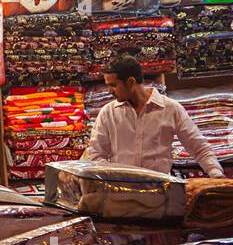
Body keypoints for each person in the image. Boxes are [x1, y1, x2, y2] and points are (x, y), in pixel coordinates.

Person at [85, 55, 224, 178]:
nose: (110, 91)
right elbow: (96, 155)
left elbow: (198, 147)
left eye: (113, 85)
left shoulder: (170, 109)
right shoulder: (108, 113)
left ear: (131, 82)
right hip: (121, 195)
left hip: (159, 194)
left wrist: (215, 173)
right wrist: (113, 180)